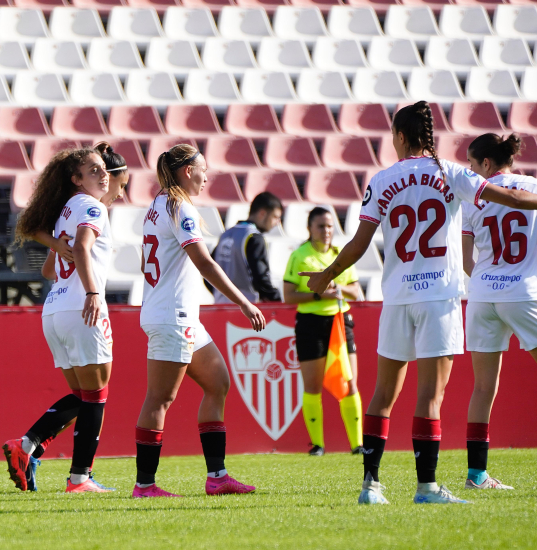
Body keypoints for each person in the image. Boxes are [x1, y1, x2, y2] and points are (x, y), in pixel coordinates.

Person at [300, 101, 537, 505]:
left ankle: (370, 486)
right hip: (439, 296)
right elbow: (508, 198)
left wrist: (326, 275)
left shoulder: (382, 179)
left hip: (397, 296)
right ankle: (427, 487)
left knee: (382, 393)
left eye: (393, 135)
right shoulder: (453, 173)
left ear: (402, 137)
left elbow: (359, 243)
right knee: (430, 395)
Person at [134, 144, 265, 498]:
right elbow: (204, 263)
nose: (207, 176)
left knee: (218, 382)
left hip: (179, 315)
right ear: (187, 171)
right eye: (203, 169)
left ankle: (217, 477)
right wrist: (243, 302)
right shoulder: (179, 206)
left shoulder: (160, 204)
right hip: (172, 316)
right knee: (160, 399)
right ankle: (144, 485)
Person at [4, 147, 115, 494]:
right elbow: (81, 248)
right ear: (76, 179)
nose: (103, 174)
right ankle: (79, 478)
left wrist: (58, 244)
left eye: (103, 169)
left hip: (54, 308)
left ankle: (26, 446)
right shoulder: (91, 207)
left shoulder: (66, 210)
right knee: (96, 395)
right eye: (93, 170)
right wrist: (94, 292)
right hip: (82, 306)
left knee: (84, 396)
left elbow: (48, 268)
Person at [461, 133, 537, 491]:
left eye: (472, 165)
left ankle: (476, 475)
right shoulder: (532, 187)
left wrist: (488, 277)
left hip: (481, 294)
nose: (470, 170)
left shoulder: (472, 197)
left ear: (486, 165)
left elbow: (466, 261)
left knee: (482, 388)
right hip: (523, 291)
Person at [282, 207, 363, 456]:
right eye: (321, 226)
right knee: (313, 385)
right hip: (311, 322)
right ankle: (317, 445)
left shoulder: (342, 256)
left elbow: (357, 292)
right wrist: (318, 292)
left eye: (330, 226)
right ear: (310, 229)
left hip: (340, 321)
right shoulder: (300, 256)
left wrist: (336, 285)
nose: (326, 231)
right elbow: (288, 296)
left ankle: (357, 445)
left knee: (349, 383)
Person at [212, 192, 283, 304]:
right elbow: (260, 278)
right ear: (262, 213)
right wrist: (277, 299)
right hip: (247, 308)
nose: (277, 223)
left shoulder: (226, 235)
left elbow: (209, 273)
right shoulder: (254, 237)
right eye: (275, 217)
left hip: (221, 306)